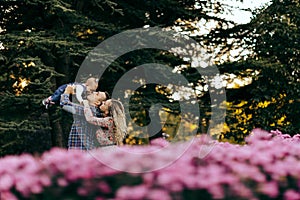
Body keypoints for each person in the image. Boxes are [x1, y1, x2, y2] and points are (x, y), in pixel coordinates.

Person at [61, 85, 110, 150]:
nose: (93, 92)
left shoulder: (90, 110)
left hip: (80, 150)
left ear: (97, 102)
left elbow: (64, 104)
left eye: (97, 94)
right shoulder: (89, 110)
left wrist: (67, 91)